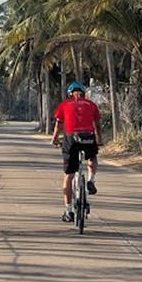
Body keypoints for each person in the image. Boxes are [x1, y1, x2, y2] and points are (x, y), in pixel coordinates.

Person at [50, 82, 103, 222]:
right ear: (83, 93)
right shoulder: (91, 105)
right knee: (92, 156)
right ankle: (91, 180)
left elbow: (58, 124)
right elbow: (97, 124)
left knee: (69, 175)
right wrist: (99, 139)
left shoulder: (64, 105)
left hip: (71, 139)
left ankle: (69, 211)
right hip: (88, 136)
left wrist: (55, 139)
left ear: (69, 94)